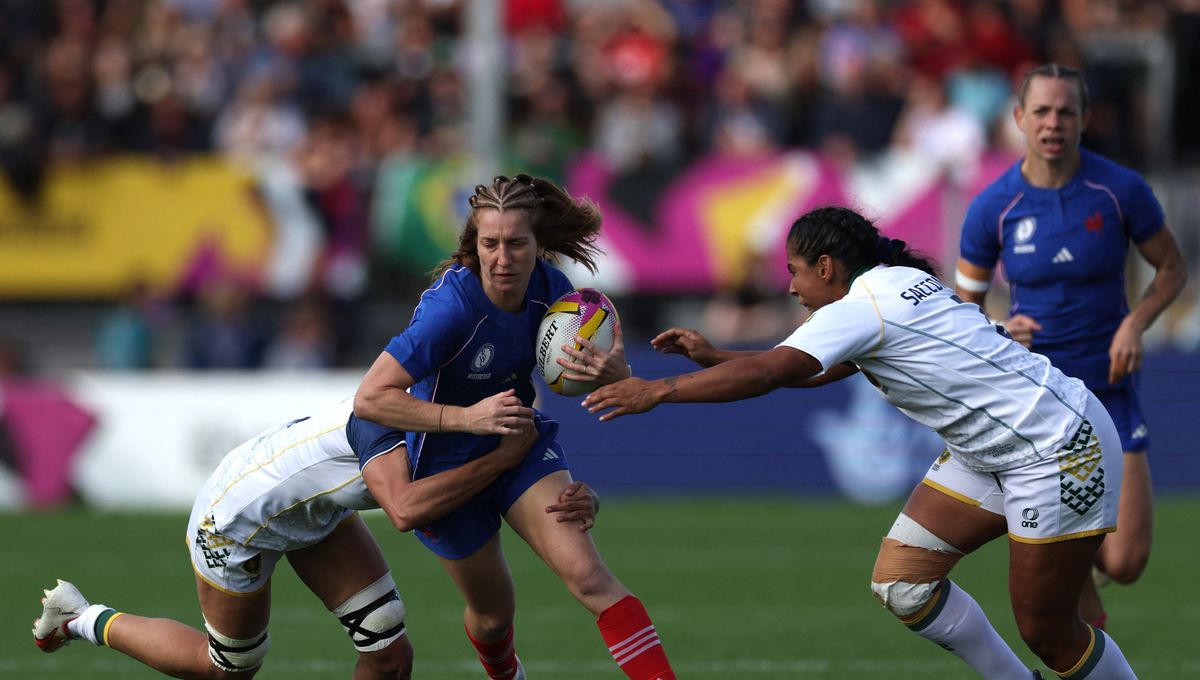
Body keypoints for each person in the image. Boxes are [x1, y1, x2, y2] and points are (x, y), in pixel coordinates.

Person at [584, 205, 1139, 679]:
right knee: (904, 583)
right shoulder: (894, 281)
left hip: (1057, 448)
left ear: (827, 267)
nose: (793, 286)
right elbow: (816, 367)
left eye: (795, 272)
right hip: (999, 450)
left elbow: (775, 371)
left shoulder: (861, 307)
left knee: (1047, 630)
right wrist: (716, 358)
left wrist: (657, 390)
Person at [353, 174, 677, 680]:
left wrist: (615, 375)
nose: (503, 259)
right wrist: (465, 418)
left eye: (516, 243)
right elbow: (370, 398)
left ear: (538, 244)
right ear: (474, 244)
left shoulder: (555, 292)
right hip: (445, 468)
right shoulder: (450, 311)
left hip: (518, 442)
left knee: (590, 576)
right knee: (493, 615)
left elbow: (580, 378)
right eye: (490, 244)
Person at [32, 396, 599, 679]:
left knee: (387, 647)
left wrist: (571, 494)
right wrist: (503, 461)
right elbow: (409, 509)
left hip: (310, 510)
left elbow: (501, 485)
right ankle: (82, 617)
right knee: (228, 666)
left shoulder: (446, 418)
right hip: (235, 520)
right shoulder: (417, 431)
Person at [954, 63, 1187, 629]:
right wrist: (1001, 330)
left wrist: (1135, 324)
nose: (1053, 123)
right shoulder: (994, 207)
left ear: (1085, 119)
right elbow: (963, 312)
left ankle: (1081, 568)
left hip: (1110, 388)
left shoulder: (1120, 190)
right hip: (1041, 407)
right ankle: (1084, 618)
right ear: (1019, 119)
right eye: (1041, 111)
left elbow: (1172, 269)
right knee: (1071, 595)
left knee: (1127, 561)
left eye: (1065, 111)